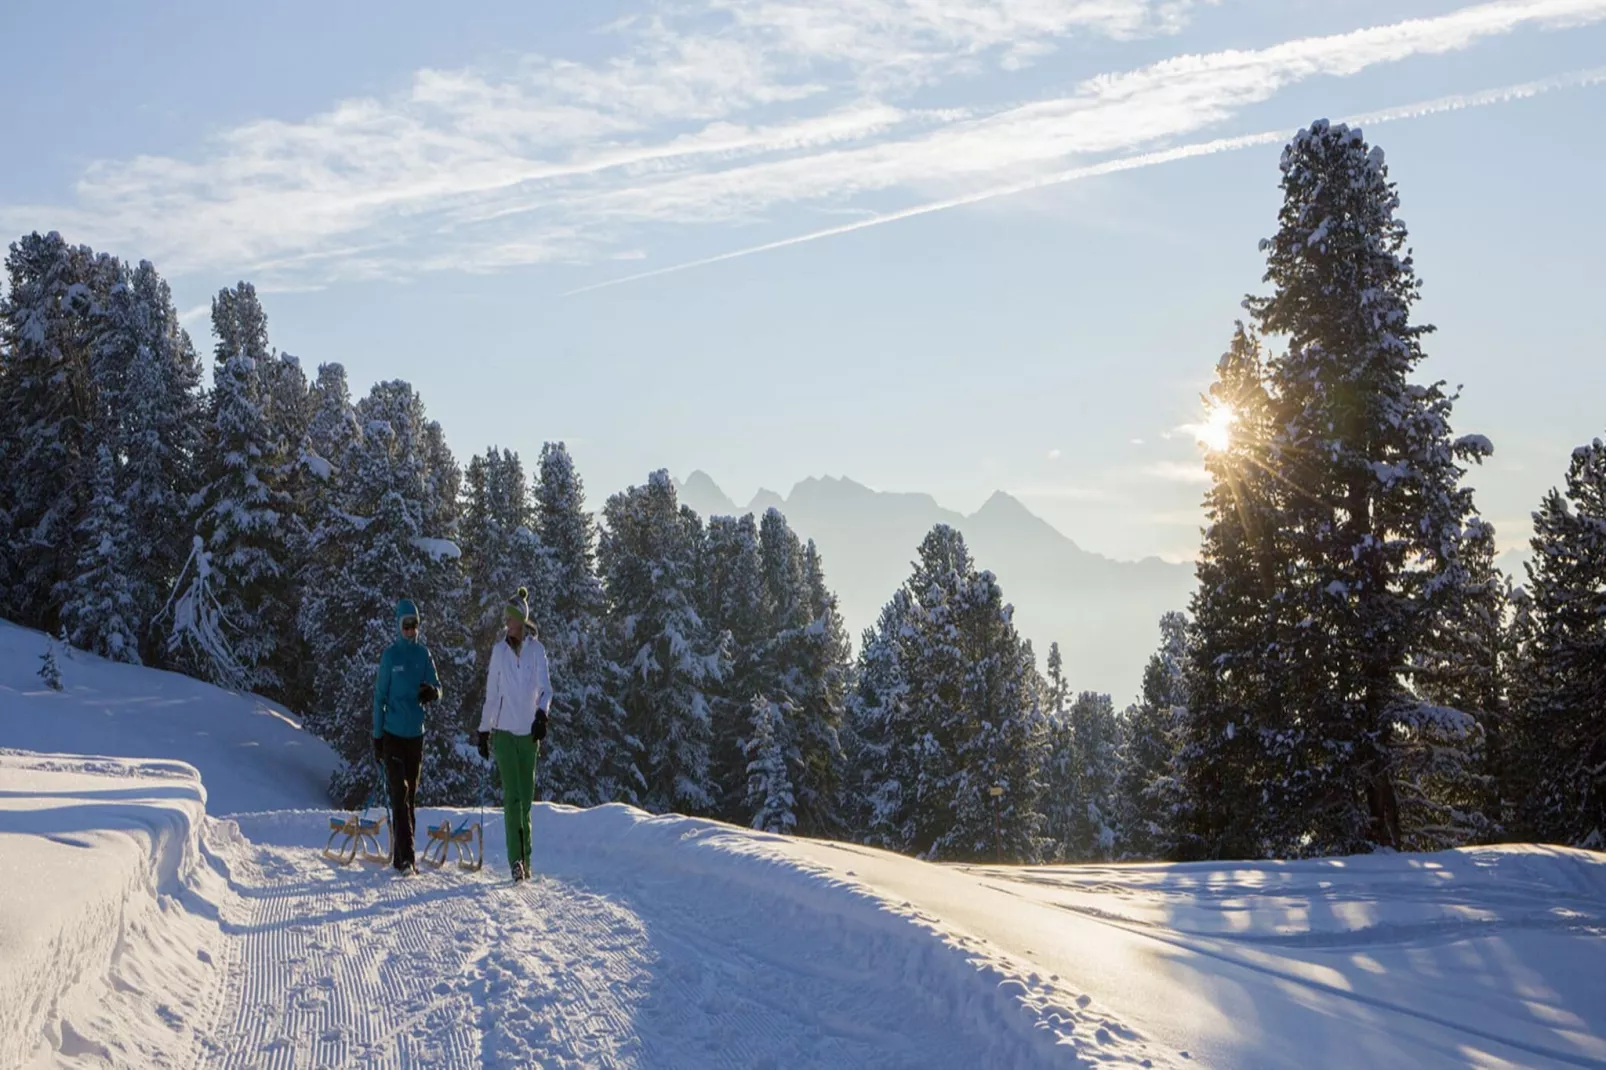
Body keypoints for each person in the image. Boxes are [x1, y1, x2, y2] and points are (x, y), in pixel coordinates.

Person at [476, 586, 551, 882]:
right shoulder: (499, 652)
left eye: (511, 619)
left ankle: (527, 858)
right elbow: (492, 695)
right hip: (505, 733)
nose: (507, 623)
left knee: (526, 799)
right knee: (512, 798)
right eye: (506, 619)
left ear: (522, 620)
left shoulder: (537, 651)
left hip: (528, 735)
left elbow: (546, 688)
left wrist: (542, 714)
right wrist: (484, 731)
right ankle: (515, 862)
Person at [372, 597, 442, 875]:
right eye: (406, 626)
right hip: (391, 734)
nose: (410, 631)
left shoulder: (423, 655)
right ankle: (407, 859)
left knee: (409, 795)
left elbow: (437, 685)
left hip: (415, 735)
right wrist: (377, 737)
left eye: (414, 626)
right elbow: (379, 698)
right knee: (398, 793)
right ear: (398, 626)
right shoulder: (390, 657)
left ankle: (401, 855)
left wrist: (433, 693)